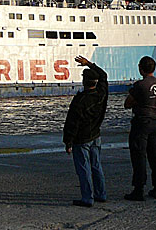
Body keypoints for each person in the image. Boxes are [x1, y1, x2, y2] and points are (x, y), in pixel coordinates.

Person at [63, 55, 109, 207]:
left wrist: (68, 142)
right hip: (96, 135)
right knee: (96, 166)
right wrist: (89, 64)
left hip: (81, 139)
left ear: (84, 82)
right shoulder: (102, 93)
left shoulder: (80, 100)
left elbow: (72, 123)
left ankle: (87, 198)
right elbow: (103, 75)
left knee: (84, 169)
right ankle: (101, 194)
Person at [123, 56, 156, 201]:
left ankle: (138, 189)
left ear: (140, 68)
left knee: (139, 155)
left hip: (141, 122)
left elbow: (127, 103)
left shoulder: (140, 85)